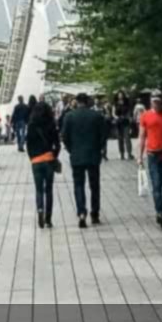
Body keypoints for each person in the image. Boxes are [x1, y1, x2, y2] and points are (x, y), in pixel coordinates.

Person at [61, 91, 106, 228]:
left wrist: (71, 149)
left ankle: (81, 212)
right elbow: (103, 135)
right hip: (93, 155)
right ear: (87, 102)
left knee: (78, 185)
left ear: (76, 102)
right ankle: (95, 213)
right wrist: (99, 149)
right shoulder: (97, 116)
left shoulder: (69, 116)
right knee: (94, 185)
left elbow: (64, 136)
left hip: (77, 156)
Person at [139, 91, 162, 228]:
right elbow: (142, 136)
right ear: (151, 102)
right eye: (154, 101)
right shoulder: (145, 116)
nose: (156, 103)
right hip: (152, 154)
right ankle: (160, 212)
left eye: (158, 101)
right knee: (156, 185)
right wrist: (139, 156)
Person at [26, 98, 61, 228]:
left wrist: (32, 157)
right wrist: (54, 155)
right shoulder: (51, 124)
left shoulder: (31, 125)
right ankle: (48, 218)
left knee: (39, 189)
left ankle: (40, 209)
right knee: (49, 190)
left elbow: (28, 144)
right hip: (48, 159)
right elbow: (57, 144)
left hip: (36, 161)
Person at [114, 91, 133, 160]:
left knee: (127, 138)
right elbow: (114, 113)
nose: (120, 96)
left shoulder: (127, 103)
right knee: (120, 139)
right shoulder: (115, 103)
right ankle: (121, 153)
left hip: (126, 122)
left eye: (121, 94)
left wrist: (128, 117)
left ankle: (129, 153)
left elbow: (129, 112)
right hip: (118, 123)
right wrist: (116, 117)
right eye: (119, 95)